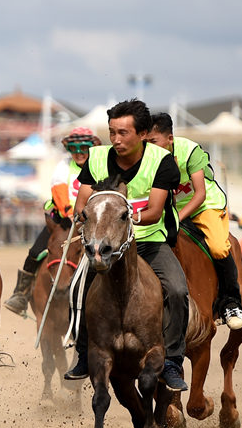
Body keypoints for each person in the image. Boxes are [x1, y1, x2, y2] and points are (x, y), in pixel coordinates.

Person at [63, 99, 190, 391]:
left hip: (150, 242)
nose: (116, 140)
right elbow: (81, 204)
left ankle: (171, 361)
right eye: (112, 133)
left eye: (124, 133)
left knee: (178, 289)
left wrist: (121, 221)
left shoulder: (161, 161)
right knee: (76, 288)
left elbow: (155, 211)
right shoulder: (96, 159)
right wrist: (90, 220)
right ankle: (83, 353)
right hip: (105, 245)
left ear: (143, 133)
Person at [147, 113, 242, 329]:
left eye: (153, 142)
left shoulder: (189, 150)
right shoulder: (144, 157)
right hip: (171, 208)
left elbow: (199, 193)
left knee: (219, 248)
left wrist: (175, 219)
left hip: (203, 205)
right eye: (145, 142)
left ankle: (231, 302)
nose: (149, 147)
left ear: (169, 139)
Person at [4, 127, 98, 315]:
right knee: (35, 251)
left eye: (83, 148)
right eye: (73, 148)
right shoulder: (63, 166)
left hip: (92, 224)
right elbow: (59, 191)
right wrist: (69, 213)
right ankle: (21, 294)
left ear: (92, 147)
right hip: (63, 221)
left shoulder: (100, 166)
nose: (78, 153)